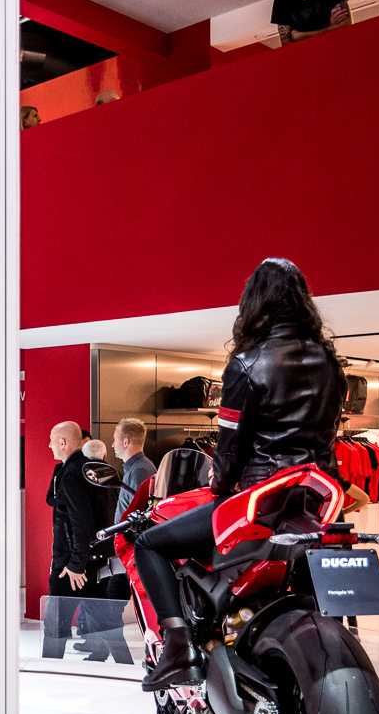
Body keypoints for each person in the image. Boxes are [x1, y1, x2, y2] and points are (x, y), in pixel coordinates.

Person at [136, 259, 345, 691]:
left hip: (262, 503)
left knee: (149, 545)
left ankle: (178, 649)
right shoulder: (329, 362)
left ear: (254, 302)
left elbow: (230, 448)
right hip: (320, 502)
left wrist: (218, 486)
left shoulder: (247, 363)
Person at [44, 420, 122, 661]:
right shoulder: (89, 469)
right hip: (94, 557)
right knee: (104, 619)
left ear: (63, 443)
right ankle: (123, 663)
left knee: (56, 622)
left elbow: (81, 522)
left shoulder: (70, 473)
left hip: (72, 564)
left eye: (52, 441)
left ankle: (50, 668)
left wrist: (76, 564)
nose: (49, 445)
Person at [111, 418, 156, 521]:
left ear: (125, 442)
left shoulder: (139, 470)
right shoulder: (139, 467)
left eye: (115, 440)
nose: (113, 444)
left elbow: (139, 515)